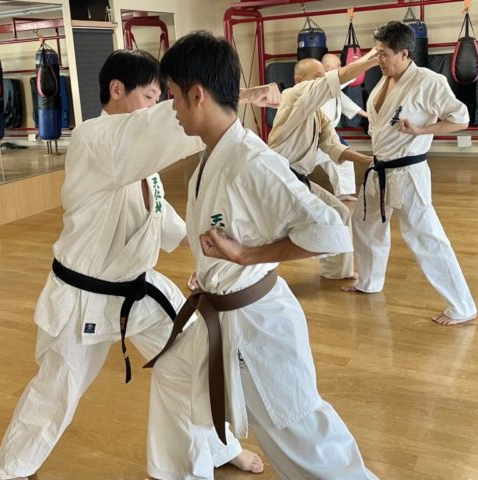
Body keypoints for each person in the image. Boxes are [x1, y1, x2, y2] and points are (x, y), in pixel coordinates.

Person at [0, 50, 274, 480]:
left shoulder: (138, 162)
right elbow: (154, 128)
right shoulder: (93, 139)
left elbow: (163, 219)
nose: (160, 107)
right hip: (83, 298)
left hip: (137, 291)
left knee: (194, 359)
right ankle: (12, 468)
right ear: (117, 89)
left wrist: (212, 255)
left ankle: (217, 447)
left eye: (163, 98)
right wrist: (236, 96)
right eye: (151, 97)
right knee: (59, 388)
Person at [144, 31, 378, 480]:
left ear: (197, 95)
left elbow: (330, 231)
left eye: (172, 96)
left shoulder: (250, 161)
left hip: (257, 326)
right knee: (173, 373)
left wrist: (247, 256)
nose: (171, 108)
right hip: (222, 312)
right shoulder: (215, 154)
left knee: (303, 439)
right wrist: (212, 271)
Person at [341, 21, 478, 327]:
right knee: (364, 224)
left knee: (425, 237)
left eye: (384, 54)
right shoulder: (384, 80)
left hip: (408, 171)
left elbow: (461, 119)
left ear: (404, 53)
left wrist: (421, 130)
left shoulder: (428, 81)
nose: (378, 59)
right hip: (380, 168)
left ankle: (463, 305)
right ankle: (370, 281)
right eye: (377, 52)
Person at [267, 56, 376, 280]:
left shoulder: (318, 114)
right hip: (276, 179)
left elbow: (334, 147)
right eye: (317, 76)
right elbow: (332, 81)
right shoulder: (292, 95)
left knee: (341, 213)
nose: (323, 80)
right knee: (268, 232)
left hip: (297, 179)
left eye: (323, 76)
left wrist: (369, 160)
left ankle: (338, 271)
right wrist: (371, 59)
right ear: (299, 80)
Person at [316, 53, 369, 202]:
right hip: (315, 134)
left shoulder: (334, 86)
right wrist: (372, 55)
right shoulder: (323, 83)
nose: (341, 68)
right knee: (297, 165)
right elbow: (351, 73)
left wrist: (366, 114)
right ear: (327, 68)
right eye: (338, 65)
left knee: (344, 158)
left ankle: (343, 192)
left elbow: (343, 101)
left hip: (328, 132)